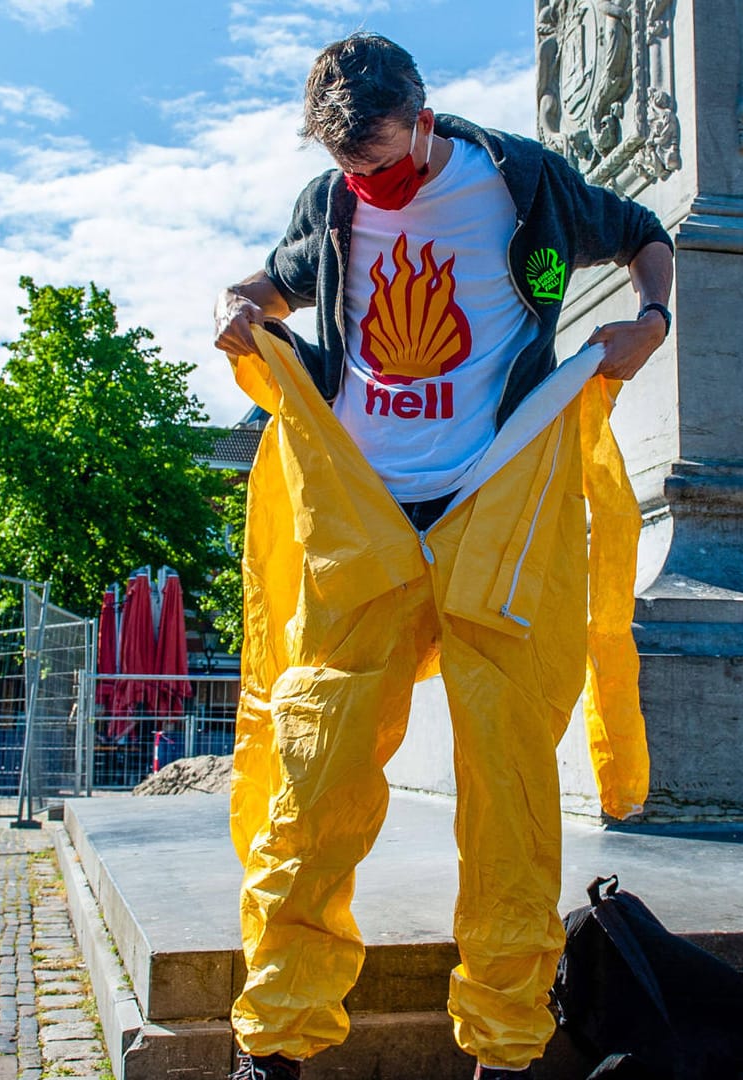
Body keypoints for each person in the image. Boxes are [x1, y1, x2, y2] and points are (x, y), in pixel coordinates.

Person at [212, 32, 673, 1080]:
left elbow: (646, 235)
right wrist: (236, 308)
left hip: (499, 502)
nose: (370, 187)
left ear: (424, 120)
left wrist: (651, 318)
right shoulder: (328, 204)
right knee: (314, 778)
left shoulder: (525, 182)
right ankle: (276, 1044)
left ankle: (508, 1051)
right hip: (364, 516)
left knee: (509, 789)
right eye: (351, 172)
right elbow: (269, 285)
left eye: (385, 165)